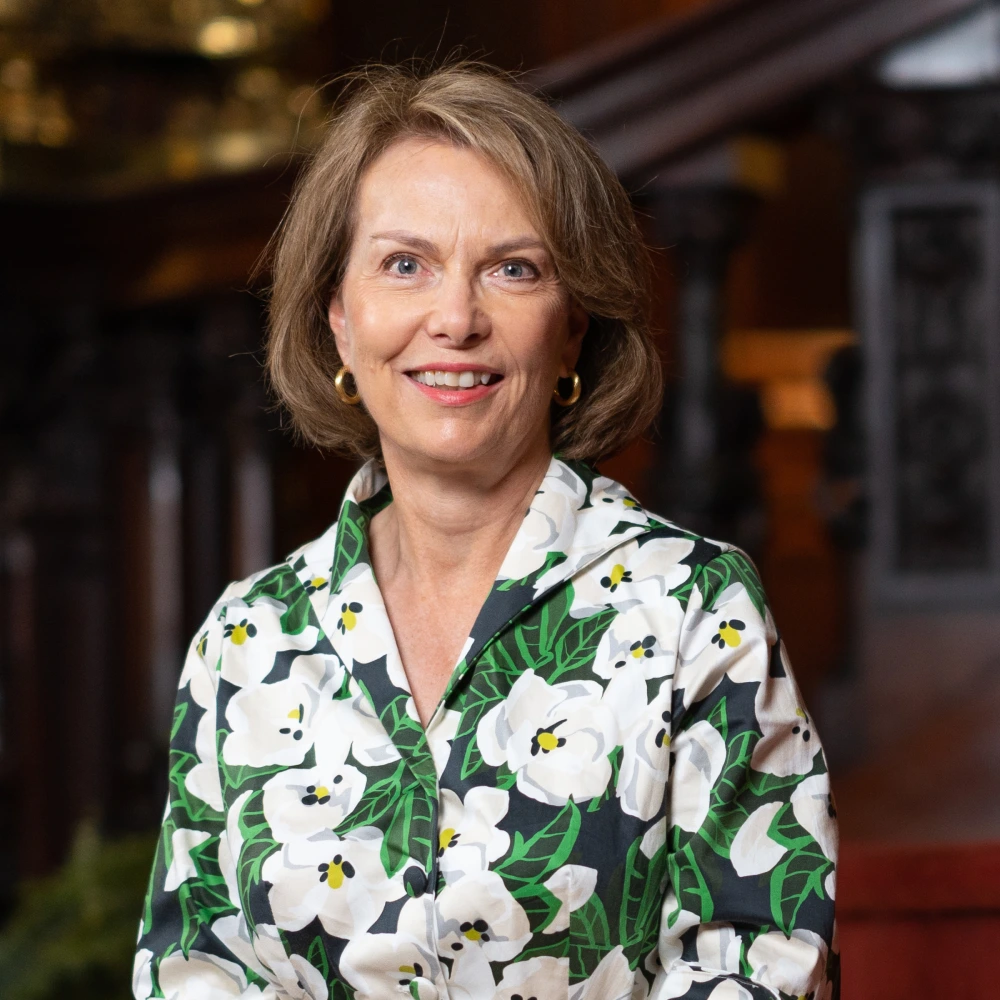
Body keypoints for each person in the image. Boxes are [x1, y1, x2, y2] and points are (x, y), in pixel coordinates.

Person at [133, 61, 838, 1000]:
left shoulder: (692, 608)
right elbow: (194, 970)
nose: (455, 319)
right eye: (404, 264)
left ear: (572, 326)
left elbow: (764, 962)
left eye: (513, 269)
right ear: (339, 319)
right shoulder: (246, 641)